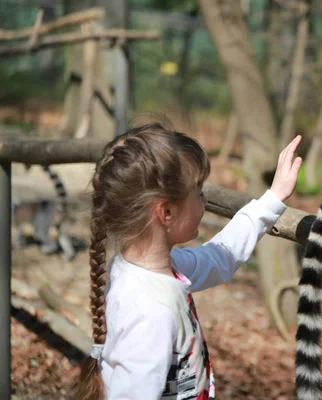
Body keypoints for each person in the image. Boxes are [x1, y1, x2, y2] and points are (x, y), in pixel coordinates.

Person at [77, 121, 303, 400]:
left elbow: (218, 256)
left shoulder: (146, 269)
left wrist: (272, 200)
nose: (205, 201)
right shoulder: (152, 313)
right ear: (167, 213)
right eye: (198, 193)